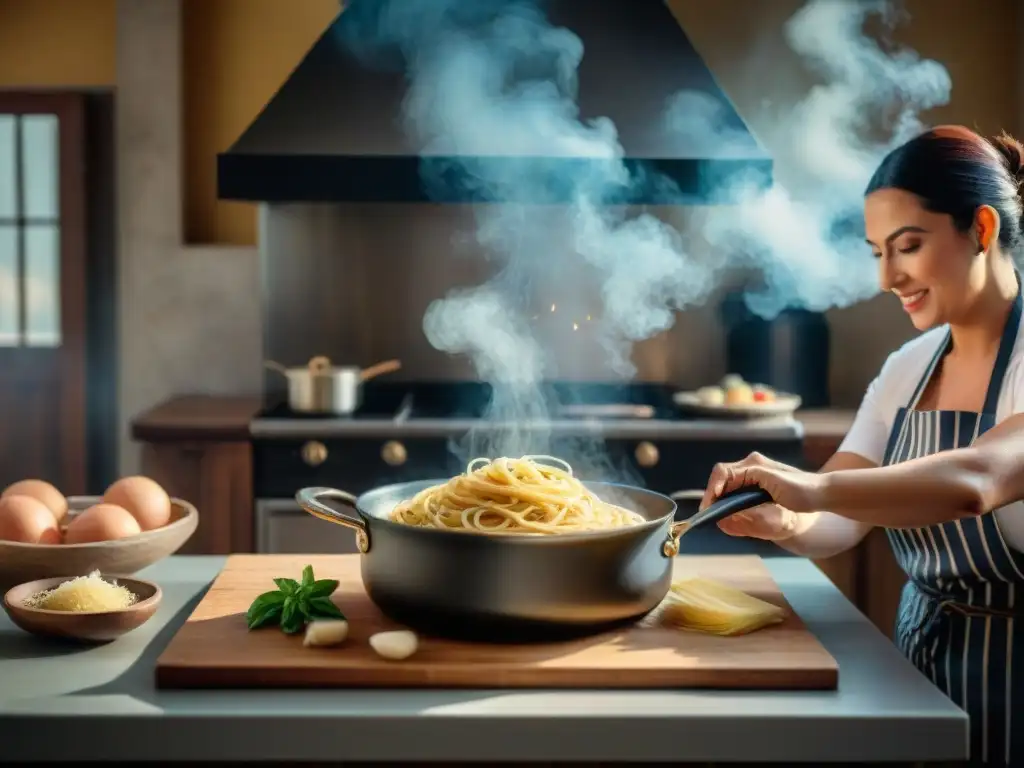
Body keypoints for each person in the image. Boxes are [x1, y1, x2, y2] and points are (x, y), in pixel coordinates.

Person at [701, 125, 1024, 767]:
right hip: (918, 669)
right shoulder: (910, 364)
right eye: (877, 251)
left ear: (982, 230)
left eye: (906, 246)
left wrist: (812, 486)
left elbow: (978, 481)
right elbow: (841, 517)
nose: (887, 276)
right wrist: (784, 518)